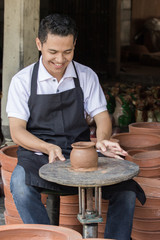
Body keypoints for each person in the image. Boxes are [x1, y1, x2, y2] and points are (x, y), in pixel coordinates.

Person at [6, 13, 145, 240]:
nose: (60, 60)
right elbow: (17, 131)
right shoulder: (22, 81)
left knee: (126, 188)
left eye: (67, 52)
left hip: (80, 151)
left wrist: (101, 140)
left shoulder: (86, 75)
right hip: (39, 153)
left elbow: (101, 117)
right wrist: (48, 147)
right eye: (53, 52)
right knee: (20, 186)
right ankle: (47, 237)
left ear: (74, 45)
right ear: (39, 44)